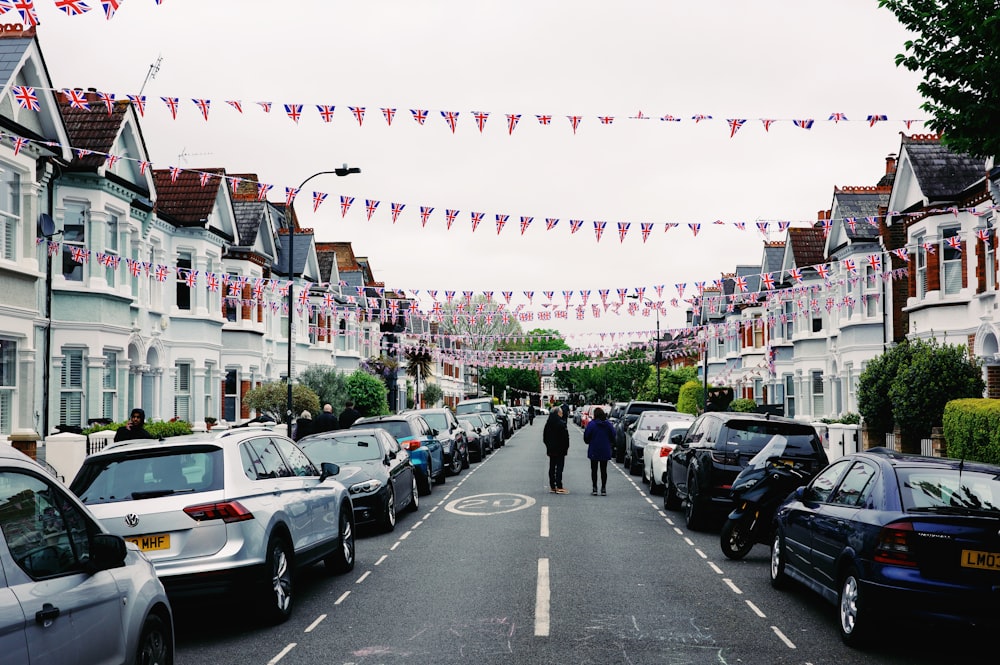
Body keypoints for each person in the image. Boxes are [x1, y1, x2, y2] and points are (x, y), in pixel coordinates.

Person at [583, 406, 615, 496]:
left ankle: (595, 488)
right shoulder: (608, 424)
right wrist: (609, 443)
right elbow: (613, 435)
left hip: (594, 449)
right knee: (603, 470)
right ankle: (603, 488)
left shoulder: (592, 424)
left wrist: (589, 441)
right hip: (605, 449)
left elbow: (586, 436)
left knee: (594, 470)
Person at [542, 406, 570, 494]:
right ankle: (559, 486)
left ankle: (552, 486)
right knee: (559, 468)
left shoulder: (548, 423)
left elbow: (544, 437)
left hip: (551, 449)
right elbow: (565, 438)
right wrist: (566, 447)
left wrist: (548, 446)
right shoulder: (561, 423)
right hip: (560, 449)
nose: (562, 414)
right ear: (558, 413)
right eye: (561, 412)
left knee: (552, 467)